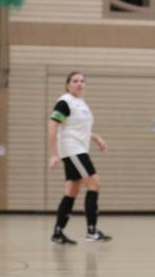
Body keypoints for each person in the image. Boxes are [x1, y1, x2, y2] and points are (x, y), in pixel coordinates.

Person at [48, 72, 112, 245]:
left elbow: (77, 128)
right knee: (95, 184)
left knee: (72, 190)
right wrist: (54, 154)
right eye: (75, 81)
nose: (79, 84)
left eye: (82, 81)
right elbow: (53, 126)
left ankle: (58, 233)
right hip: (73, 151)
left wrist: (96, 137)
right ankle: (91, 231)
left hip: (77, 149)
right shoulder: (65, 102)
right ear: (67, 84)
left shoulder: (80, 103)